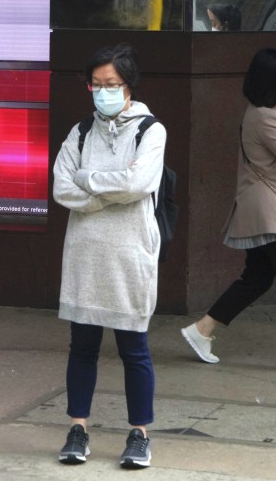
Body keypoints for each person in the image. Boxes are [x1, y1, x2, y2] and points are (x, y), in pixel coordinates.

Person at [52, 43, 166, 469]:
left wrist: (89, 181)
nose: (103, 92)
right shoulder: (79, 133)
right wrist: (105, 194)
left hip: (129, 253)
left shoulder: (150, 130)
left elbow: (137, 184)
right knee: (81, 346)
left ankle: (140, 434)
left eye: (112, 84)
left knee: (134, 348)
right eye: (96, 85)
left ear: (128, 85)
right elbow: (62, 187)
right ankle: (77, 428)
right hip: (84, 254)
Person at [181, 48, 276, 374]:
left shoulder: (260, 112)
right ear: (275, 81)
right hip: (272, 213)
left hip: (263, 209)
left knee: (257, 278)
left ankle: (202, 329)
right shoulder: (265, 116)